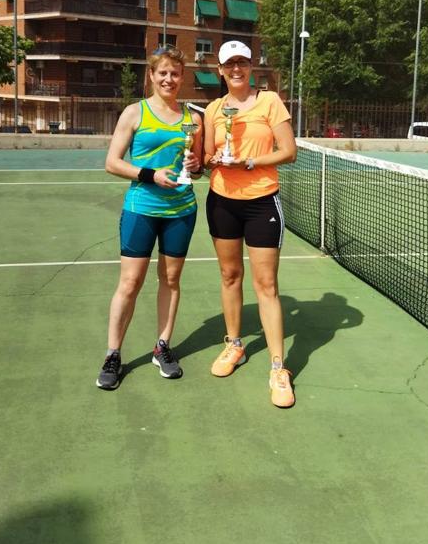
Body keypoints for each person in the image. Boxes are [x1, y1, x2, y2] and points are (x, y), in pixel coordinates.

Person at [96, 46, 202, 390]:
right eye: (163, 73)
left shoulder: (193, 119)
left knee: (171, 280)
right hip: (141, 208)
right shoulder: (134, 113)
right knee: (130, 283)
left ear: (182, 77)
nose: (169, 79)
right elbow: (113, 162)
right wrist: (149, 174)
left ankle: (162, 346)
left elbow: (196, 168)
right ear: (151, 76)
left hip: (181, 211)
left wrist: (196, 167)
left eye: (175, 73)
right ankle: (113, 354)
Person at [203, 40, 297, 408]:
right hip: (222, 201)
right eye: (230, 64)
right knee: (229, 276)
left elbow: (288, 152)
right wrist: (210, 158)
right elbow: (210, 155)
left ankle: (278, 368)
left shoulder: (270, 101)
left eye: (242, 62)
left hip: (261, 201)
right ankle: (235, 346)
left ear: (251, 66)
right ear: (221, 70)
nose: (237, 69)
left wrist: (251, 163)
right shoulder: (213, 109)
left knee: (266, 285)